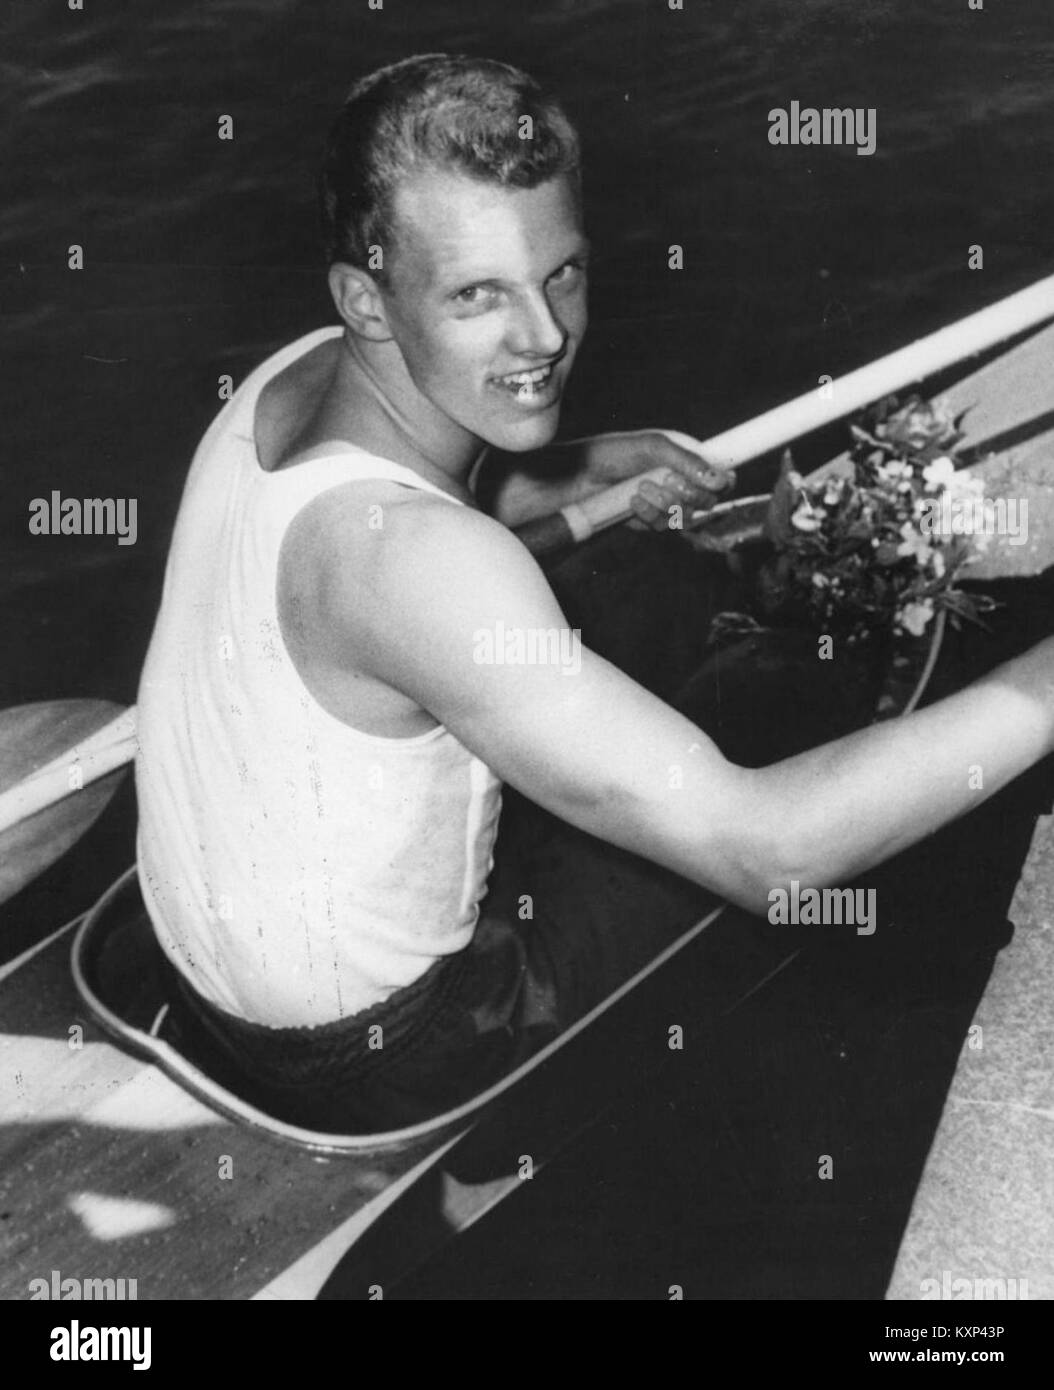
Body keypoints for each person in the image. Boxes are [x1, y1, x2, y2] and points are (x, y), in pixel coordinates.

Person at [135, 54, 1054, 1132]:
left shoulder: (283, 386)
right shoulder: (423, 568)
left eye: (560, 272)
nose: (544, 337)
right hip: (392, 1048)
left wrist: (585, 460)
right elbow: (774, 855)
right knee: (791, 733)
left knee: (645, 588)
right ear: (365, 300)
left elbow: (396, 543)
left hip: (202, 972)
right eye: (477, 294)